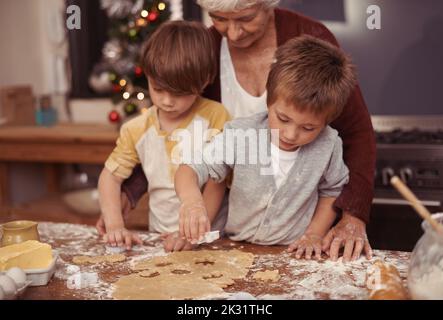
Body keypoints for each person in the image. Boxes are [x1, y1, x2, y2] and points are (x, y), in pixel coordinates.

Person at [102, 0, 375, 262]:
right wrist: (127, 193)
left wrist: (354, 215)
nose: (232, 32)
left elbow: (356, 133)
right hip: (229, 226)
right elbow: (174, 127)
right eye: (219, 19)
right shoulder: (204, 48)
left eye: (245, 18)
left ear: (268, 5)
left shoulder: (311, 39)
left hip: (292, 230)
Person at [175, 35, 357, 260]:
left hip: (294, 253)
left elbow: (332, 191)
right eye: (282, 118)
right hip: (236, 248)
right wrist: (192, 202)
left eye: (308, 128)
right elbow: (190, 169)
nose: (290, 134)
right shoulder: (240, 134)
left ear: (327, 121)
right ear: (269, 100)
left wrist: (314, 234)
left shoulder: (329, 145)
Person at [97, 21, 231, 250]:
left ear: (205, 79)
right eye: (158, 89)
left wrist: (194, 233)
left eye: (180, 93)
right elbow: (110, 177)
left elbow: (218, 182)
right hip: (160, 238)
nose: (167, 101)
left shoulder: (216, 117)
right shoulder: (136, 129)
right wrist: (115, 224)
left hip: (212, 239)